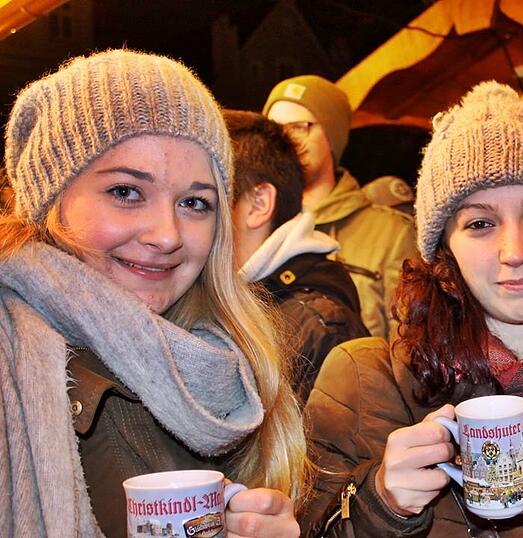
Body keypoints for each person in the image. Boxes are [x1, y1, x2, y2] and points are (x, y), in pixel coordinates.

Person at [302, 81, 523, 536]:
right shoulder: (366, 383)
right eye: (480, 223)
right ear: (444, 248)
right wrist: (379, 505)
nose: (515, 250)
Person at [0, 50, 305, 536]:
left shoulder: (231, 366)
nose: (167, 235)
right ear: (49, 199)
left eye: (194, 202)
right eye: (125, 191)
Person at [225, 109, 369, 403]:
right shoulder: (242, 302)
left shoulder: (319, 329)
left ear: (257, 204)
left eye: (203, 200)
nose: (183, 223)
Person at [263, 75, 418, 340]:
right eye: (274, 130)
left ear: (332, 134)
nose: (285, 140)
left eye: (300, 126)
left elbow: (409, 348)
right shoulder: (255, 230)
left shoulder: (391, 235)